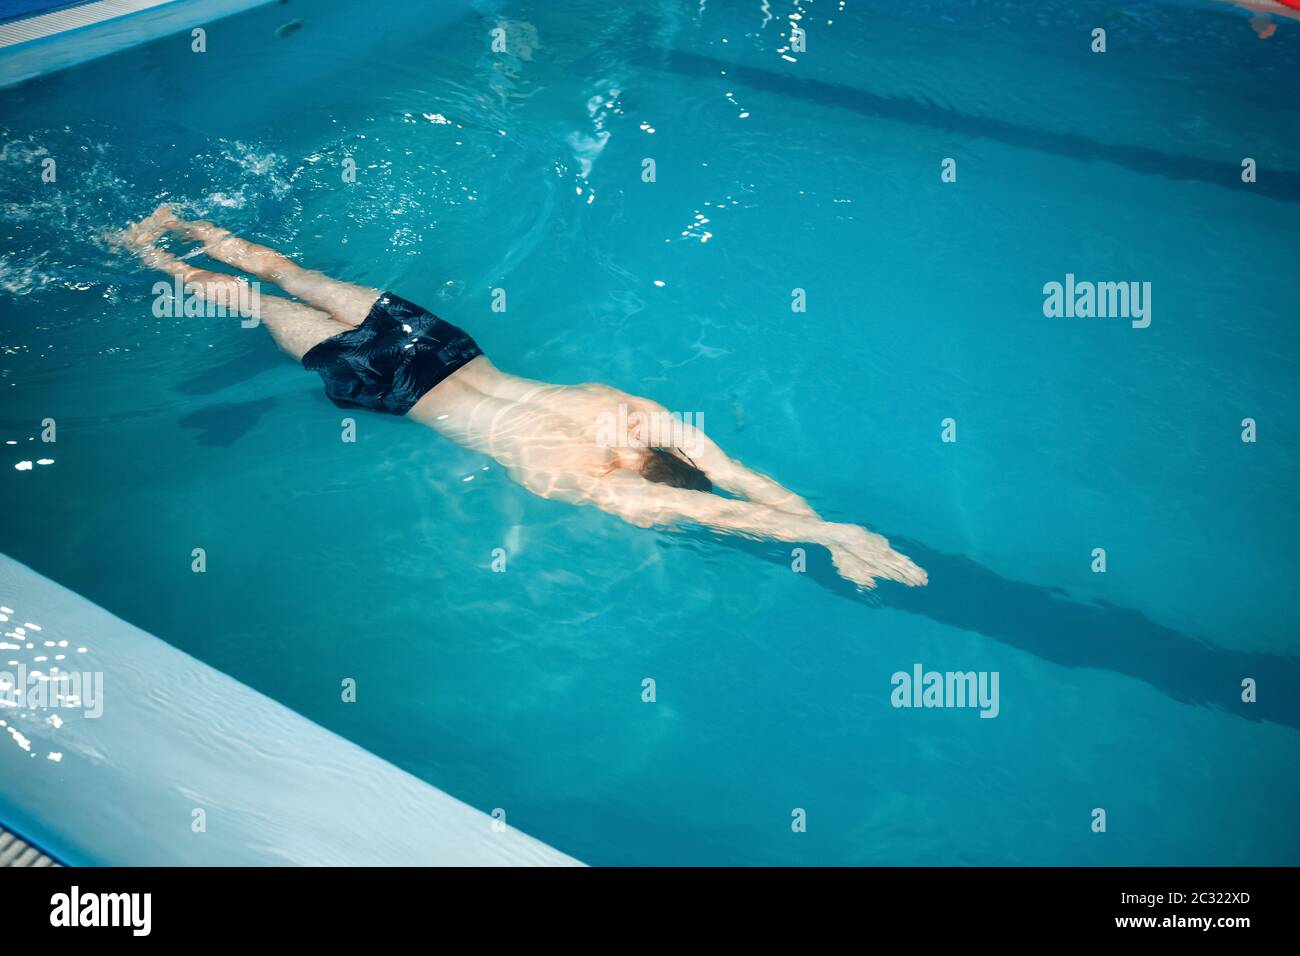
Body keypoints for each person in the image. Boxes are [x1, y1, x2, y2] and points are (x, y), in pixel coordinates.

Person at [118, 206, 926, 589]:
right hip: (395, 386)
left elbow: (737, 477)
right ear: (647, 489)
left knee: (291, 275)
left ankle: (186, 225)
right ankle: (144, 251)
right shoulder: (611, 494)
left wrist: (828, 527)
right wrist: (828, 537)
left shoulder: (635, 414)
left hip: (441, 344)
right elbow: (720, 512)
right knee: (263, 306)